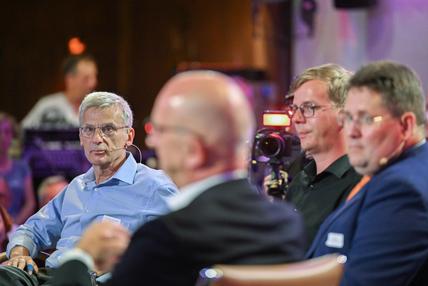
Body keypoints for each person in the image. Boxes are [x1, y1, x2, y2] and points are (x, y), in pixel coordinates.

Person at [51, 70, 306, 286]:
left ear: (193, 151)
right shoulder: (287, 225)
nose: (151, 140)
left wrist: (81, 257)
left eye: (160, 130)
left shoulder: (164, 241)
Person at [2, 92, 178, 280]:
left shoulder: (155, 187)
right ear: (80, 136)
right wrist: (19, 254)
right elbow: (31, 229)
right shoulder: (76, 187)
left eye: (108, 129)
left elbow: (179, 250)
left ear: (129, 136)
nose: (97, 138)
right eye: (89, 129)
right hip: (51, 276)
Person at [307, 61, 428, 285]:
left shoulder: (402, 188)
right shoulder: (399, 170)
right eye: (348, 118)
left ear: (405, 125)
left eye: (365, 119)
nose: (351, 132)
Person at [266, 64, 362, 248]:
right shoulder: (297, 179)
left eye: (309, 108)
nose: (296, 119)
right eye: (294, 108)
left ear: (344, 115)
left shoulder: (360, 184)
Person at [22, 54, 98, 129]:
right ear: (70, 79)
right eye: (86, 78)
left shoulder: (101, 109)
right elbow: (23, 133)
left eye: (94, 77)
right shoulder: (48, 106)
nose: (92, 83)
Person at [0, 112, 36, 224]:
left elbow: (30, 203)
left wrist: (13, 225)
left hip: (15, 226)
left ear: (12, 136)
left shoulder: (22, 167)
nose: (2, 137)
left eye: (7, 132)